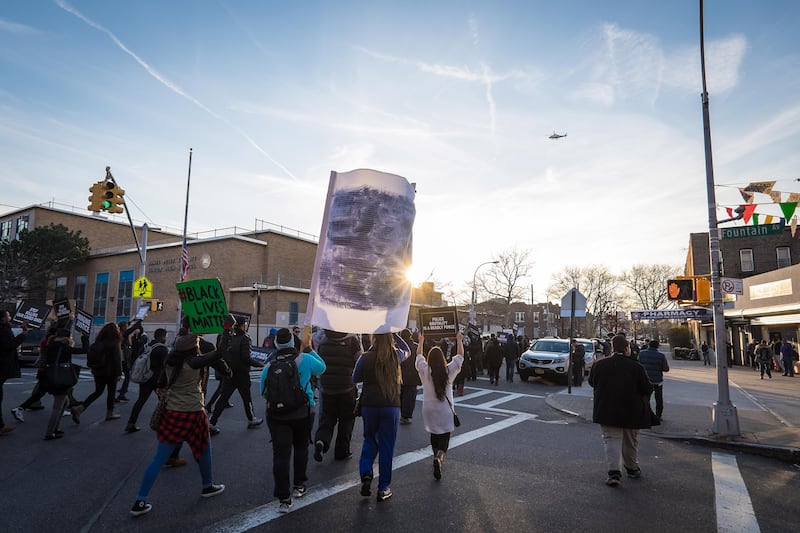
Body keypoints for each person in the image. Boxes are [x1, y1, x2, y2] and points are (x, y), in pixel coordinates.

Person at [129, 329, 232, 516]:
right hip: (193, 411)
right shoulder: (193, 362)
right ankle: (207, 486)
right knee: (204, 449)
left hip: (172, 412)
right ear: (193, 348)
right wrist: (226, 331)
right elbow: (218, 353)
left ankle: (140, 500)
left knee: (158, 458)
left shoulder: (170, 360)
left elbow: (162, 385)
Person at [260, 328, 325, 513]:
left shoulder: (269, 363)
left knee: (281, 454)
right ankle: (299, 485)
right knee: (301, 448)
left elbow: (263, 392)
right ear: (292, 342)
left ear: (276, 344)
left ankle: (283, 498)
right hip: (303, 412)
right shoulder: (304, 359)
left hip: (277, 415)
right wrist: (309, 348)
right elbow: (322, 368)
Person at [588, 334, 653, 487]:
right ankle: (632, 468)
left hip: (607, 409)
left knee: (611, 440)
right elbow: (647, 388)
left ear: (612, 348)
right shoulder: (636, 367)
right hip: (632, 411)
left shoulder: (600, 365)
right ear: (626, 348)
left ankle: (614, 472)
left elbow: (592, 382)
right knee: (631, 442)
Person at [353, 332, 410, 502]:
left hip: (370, 405)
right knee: (386, 447)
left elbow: (355, 378)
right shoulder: (395, 356)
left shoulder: (365, 357)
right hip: (391, 405)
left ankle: (366, 474)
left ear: (374, 339)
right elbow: (408, 350)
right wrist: (396, 335)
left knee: (369, 440)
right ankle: (383, 487)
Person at [415, 331, 463, 480]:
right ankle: (439, 457)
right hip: (445, 410)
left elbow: (418, 357)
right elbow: (460, 357)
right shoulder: (448, 371)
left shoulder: (425, 371)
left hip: (429, 409)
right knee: (445, 438)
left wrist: (421, 342)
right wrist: (459, 340)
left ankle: (435, 454)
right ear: (442, 358)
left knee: (434, 435)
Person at [312, 329, 362, 461]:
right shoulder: (352, 341)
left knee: (327, 417)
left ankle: (322, 440)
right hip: (347, 387)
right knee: (346, 420)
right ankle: (342, 452)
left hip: (327, 386)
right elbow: (359, 362)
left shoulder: (323, 341)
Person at [209, 316, 263, 434]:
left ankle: (212, 422)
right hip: (242, 373)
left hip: (229, 371)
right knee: (246, 397)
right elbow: (245, 357)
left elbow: (221, 351)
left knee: (223, 398)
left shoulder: (229, 336)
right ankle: (251, 419)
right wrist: (258, 364)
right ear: (243, 324)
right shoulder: (245, 338)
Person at [39, 329, 89, 440]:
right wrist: (84, 337)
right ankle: (50, 431)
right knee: (57, 407)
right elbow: (85, 350)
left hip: (51, 377)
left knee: (64, 402)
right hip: (60, 379)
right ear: (67, 338)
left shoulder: (52, 345)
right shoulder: (63, 347)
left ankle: (55, 428)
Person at [72, 322, 124, 422]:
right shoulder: (115, 341)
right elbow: (117, 359)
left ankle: (80, 408)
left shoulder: (98, 341)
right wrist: (119, 373)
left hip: (98, 371)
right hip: (110, 372)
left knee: (98, 392)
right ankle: (110, 413)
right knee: (111, 393)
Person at [125, 328, 169, 434]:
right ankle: (166, 425)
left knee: (140, 400)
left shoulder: (147, 346)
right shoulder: (162, 349)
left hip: (146, 377)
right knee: (165, 402)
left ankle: (131, 423)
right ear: (162, 336)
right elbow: (166, 366)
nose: (166, 338)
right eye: (165, 336)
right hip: (158, 379)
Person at [1, 310, 27, 435]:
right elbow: (9, 345)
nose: (10, 317)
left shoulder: (5, 328)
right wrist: (23, 334)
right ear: (3, 319)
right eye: (8, 315)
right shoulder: (3, 330)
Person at [637, 340, 670, 421]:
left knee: (645, 398)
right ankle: (658, 415)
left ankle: (645, 414)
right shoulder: (661, 356)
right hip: (657, 380)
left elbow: (638, 365)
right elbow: (666, 368)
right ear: (657, 346)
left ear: (648, 345)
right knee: (658, 398)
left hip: (645, 380)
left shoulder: (641, 353)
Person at [397, 329, 420, 424]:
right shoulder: (416, 347)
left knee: (401, 395)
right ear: (410, 336)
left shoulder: (397, 347)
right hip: (413, 375)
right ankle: (406, 416)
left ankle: (402, 413)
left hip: (400, 374)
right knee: (410, 396)